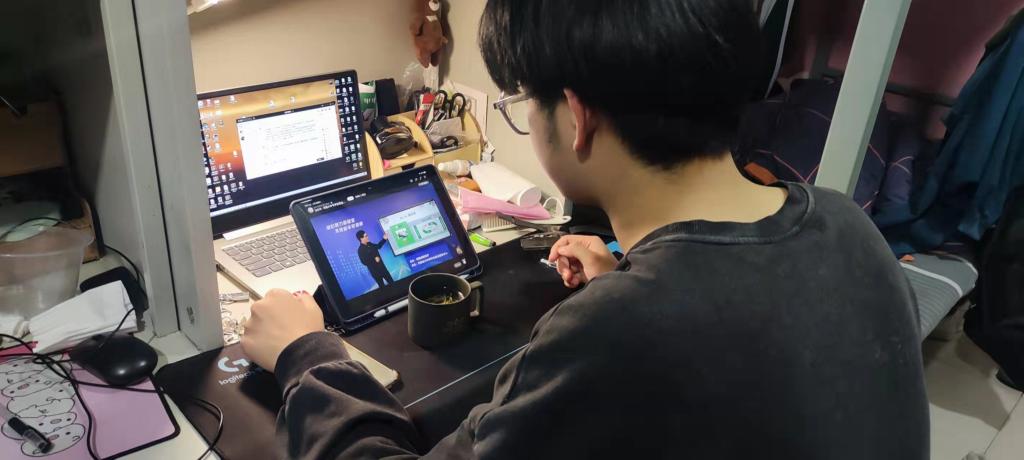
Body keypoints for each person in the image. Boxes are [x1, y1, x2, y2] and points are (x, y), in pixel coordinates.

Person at [241, 0, 929, 458]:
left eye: (519, 101)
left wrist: (307, 354)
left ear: (576, 117)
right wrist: (632, 276)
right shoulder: (846, 225)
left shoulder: (618, 330)